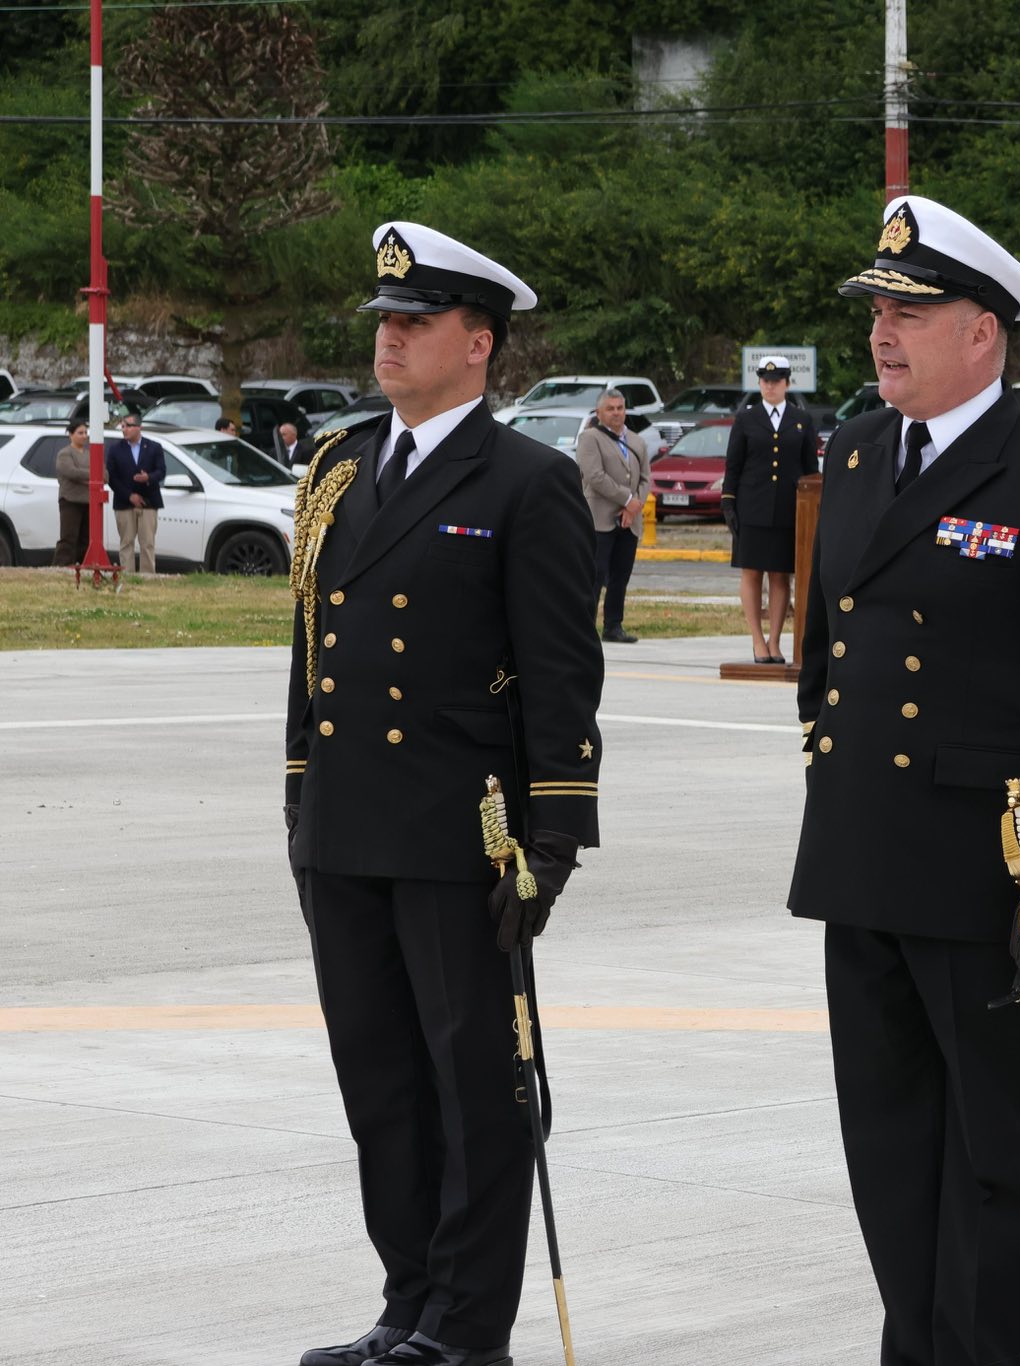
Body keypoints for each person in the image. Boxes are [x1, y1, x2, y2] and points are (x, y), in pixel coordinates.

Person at [792, 194, 1020, 1366]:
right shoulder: (855, 450)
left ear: (981, 332)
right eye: (876, 312)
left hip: (988, 880)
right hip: (860, 859)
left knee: (1000, 1163)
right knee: (889, 1155)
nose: (881, 333)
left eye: (909, 312)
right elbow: (827, 655)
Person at [286, 221, 604, 1366]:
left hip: (460, 835)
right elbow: (308, 653)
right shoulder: (339, 467)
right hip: (346, 824)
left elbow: (562, 676)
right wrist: (299, 801)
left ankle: (467, 1328)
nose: (390, 339)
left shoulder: (526, 482)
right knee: (379, 1082)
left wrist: (553, 840)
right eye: (385, 320)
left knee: (475, 1086)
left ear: (478, 344)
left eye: (416, 323)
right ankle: (408, 1301)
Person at [721, 356, 817, 664]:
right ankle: (757, 640)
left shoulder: (802, 419)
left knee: (780, 575)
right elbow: (734, 465)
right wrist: (728, 501)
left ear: (787, 383)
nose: (770, 386)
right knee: (752, 572)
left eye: (776, 381)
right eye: (765, 381)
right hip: (752, 507)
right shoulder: (746, 419)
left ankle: (775, 641)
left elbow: (810, 470)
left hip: (788, 509)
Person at [576, 387, 651, 644]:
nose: (616, 413)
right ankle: (585, 628)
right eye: (610, 409)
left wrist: (634, 506)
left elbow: (645, 477)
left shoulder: (637, 441)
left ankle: (613, 626)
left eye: (620, 408)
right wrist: (628, 500)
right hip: (600, 518)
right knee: (594, 575)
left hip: (629, 520)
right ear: (599, 412)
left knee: (621, 575)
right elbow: (594, 476)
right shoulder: (590, 438)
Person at [106, 412, 166, 573]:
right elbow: (111, 477)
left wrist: (149, 477)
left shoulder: (154, 447)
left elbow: (161, 471)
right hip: (124, 502)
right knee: (126, 542)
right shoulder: (115, 449)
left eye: (128, 426)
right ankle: (127, 576)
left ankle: (148, 577)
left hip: (149, 501)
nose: (124, 429)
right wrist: (129, 496)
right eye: (122, 426)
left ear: (139, 427)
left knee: (147, 543)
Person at [53, 418, 92, 566]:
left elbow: (104, 475)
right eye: (80, 433)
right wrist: (91, 476)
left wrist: (86, 477)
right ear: (71, 434)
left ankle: (82, 567)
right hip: (70, 501)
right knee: (69, 537)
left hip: (89, 501)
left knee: (86, 539)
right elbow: (71, 472)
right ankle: (61, 567)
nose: (84, 436)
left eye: (85, 433)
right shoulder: (65, 453)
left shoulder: (91, 454)